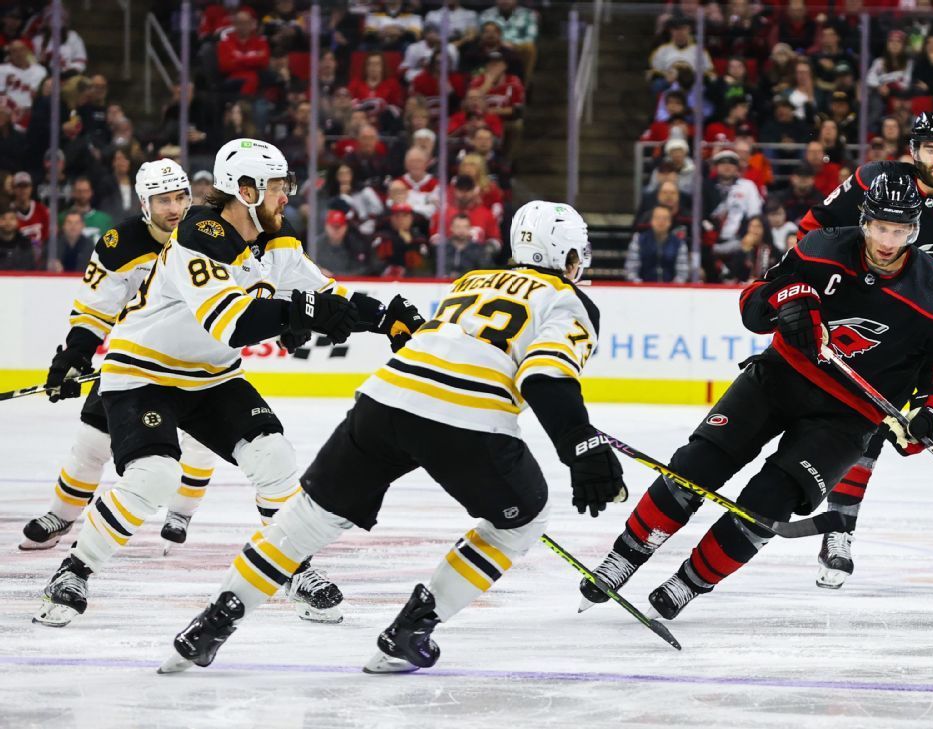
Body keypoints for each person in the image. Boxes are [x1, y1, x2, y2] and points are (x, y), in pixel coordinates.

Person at [161, 201, 625, 674]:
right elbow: (544, 378)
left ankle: (212, 623)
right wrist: (581, 447)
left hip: (385, 400)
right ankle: (410, 631)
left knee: (309, 518)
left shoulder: (470, 282)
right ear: (568, 256)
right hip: (467, 420)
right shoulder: (570, 301)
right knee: (522, 520)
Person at [32, 139, 423, 628]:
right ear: (247, 191)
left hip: (212, 377)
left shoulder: (278, 239)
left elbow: (329, 296)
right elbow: (231, 323)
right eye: (279, 187)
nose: (288, 197)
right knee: (154, 476)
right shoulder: (200, 233)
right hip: (142, 374)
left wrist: (388, 320)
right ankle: (73, 571)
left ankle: (291, 567)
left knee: (274, 456)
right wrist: (298, 312)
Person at [578, 172, 933, 620]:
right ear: (864, 221)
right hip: (779, 377)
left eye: (900, 231)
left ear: (914, 231)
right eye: (878, 228)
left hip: (848, 417)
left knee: (768, 500)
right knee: (695, 466)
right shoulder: (821, 248)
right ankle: (625, 557)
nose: (887, 242)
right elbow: (755, 300)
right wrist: (786, 302)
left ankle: (689, 582)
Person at [798, 112, 933, 591]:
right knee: (865, 426)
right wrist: (824, 295)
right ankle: (837, 534)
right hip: (883, 330)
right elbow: (814, 231)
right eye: (929, 149)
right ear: (913, 150)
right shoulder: (876, 183)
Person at [21, 161, 221, 553]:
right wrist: (76, 353)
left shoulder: (213, 234)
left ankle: (180, 513)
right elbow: (96, 307)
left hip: (201, 361)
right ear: (144, 203)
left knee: (200, 442)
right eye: (163, 200)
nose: (175, 208)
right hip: (136, 360)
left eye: (181, 197)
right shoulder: (120, 243)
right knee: (93, 440)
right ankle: (61, 515)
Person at [0, 205, 38, 270]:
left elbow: (31, 270)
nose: (8, 222)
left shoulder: (26, 244)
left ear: (17, 222)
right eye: (3, 218)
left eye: (12, 218)